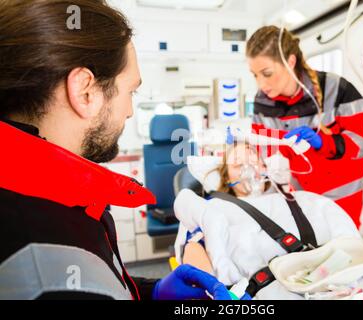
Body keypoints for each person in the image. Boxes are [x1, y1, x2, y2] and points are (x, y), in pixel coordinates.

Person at [0, 0, 230, 300]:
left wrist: (152, 292)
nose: (131, 111)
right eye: (130, 91)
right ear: (85, 92)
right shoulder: (44, 237)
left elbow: (100, 283)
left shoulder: (54, 199)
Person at [174, 143, 360, 299]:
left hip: (335, 282)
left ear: (265, 168)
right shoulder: (215, 206)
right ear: (226, 176)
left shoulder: (300, 200)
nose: (249, 169)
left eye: (254, 161)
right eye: (238, 165)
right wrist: (213, 291)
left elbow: (345, 234)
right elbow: (193, 249)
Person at [246, 26, 363, 228]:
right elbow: (262, 148)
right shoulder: (263, 103)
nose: (261, 84)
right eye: (254, 75)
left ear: (290, 62)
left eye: (267, 73)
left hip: (341, 202)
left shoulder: (336, 89)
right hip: (297, 201)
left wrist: (327, 143)